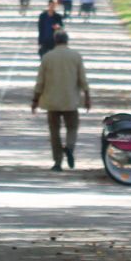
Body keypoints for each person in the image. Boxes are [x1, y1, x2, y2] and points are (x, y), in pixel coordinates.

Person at [32, 28, 92, 170]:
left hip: (52, 101)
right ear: (67, 41)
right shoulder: (75, 56)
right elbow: (82, 79)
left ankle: (57, 162)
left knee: (54, 131)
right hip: (70, 101)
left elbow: (40, 82)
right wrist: (87, 97)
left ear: (55, 41)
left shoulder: (47, 57)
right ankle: (69, 148)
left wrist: (35, 100)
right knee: (72, 127)